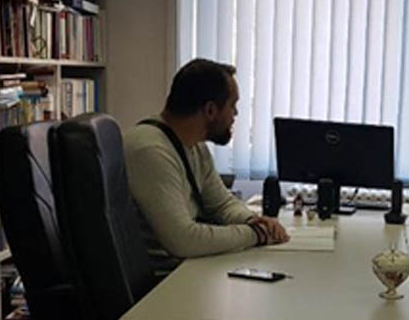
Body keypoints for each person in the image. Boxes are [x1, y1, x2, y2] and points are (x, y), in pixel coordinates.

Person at [124, 58, 289, 276]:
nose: (235, 115)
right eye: (232, 105)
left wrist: (253, 221)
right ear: (210, 110)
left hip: (189, 267)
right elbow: (183, 240)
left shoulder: (193, 145)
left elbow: (221, 204)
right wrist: (255, 234)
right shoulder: (151, 151)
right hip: (165, 280)